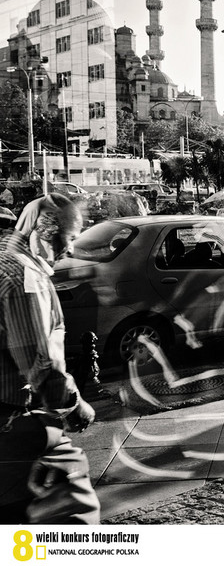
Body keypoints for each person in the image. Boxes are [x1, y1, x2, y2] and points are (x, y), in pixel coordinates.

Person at [0, 193, 100, 523]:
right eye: (69, 238)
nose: (70, 249)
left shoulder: (4, 259)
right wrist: (74, 407)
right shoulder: (24, 278)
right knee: (74, 513)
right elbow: (39, 364)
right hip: (17, 422)